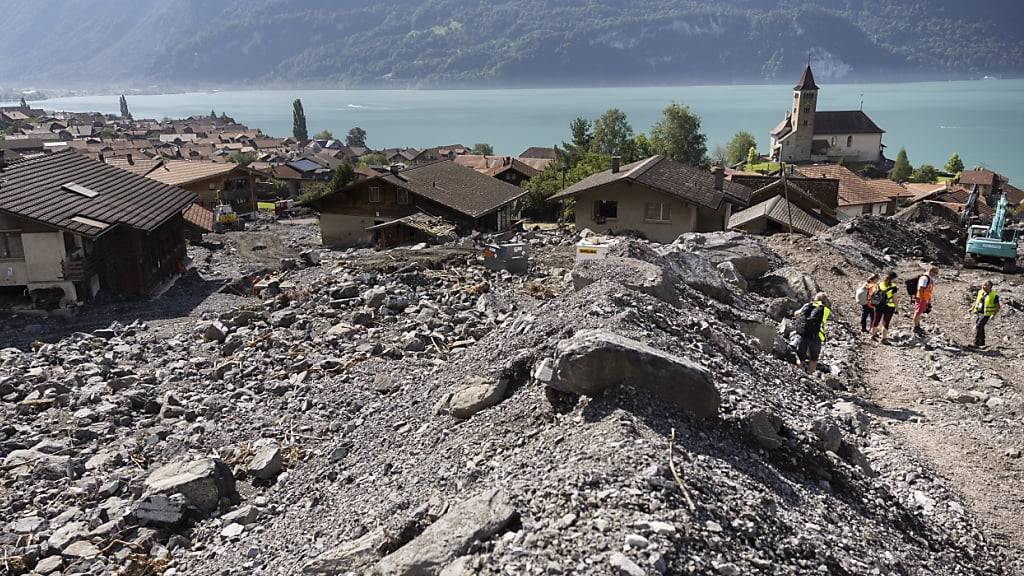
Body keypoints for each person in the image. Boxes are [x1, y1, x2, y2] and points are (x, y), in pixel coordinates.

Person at [795, 292, 831, 374]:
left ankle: (798, 374)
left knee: (800, 358)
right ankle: (810, 376)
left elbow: (796, 314)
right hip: (816, 336)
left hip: (803, 334)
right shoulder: (825, 310)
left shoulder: (807, 305)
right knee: (813, 359)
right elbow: (831, 319)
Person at [870, 271, 899, 342]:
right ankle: (884, 338)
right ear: (893, 279)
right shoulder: (893, 286)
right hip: (889, 306)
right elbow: (894, 299)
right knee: (886, 323)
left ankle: (873, 335)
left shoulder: (880, 284)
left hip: (879, 304)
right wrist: (897, 309)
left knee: (876, 320)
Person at [970, 280, 1000, 348]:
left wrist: (993, 314)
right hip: (979, 312)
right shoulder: (981, 292)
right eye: (983, 284)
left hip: (986, 314)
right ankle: (982, 343)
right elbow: (977, 301)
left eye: (986, 285)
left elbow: (998, 307)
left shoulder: (994, 295)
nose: (983, 286)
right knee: (981, 326)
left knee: (978, 326)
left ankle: (976, 343)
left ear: (990, 287)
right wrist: (972, 308)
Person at [912, 266, 939, 334]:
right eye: (935, 272)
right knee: (918, 312)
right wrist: (921, 299)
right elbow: (921, 288)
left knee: (920, 312)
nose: (936, 274)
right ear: (931, 271)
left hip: (924, 298)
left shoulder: (929, 278)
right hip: (921, 298)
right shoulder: (925, 278)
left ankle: (917, 325)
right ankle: (915, 327)